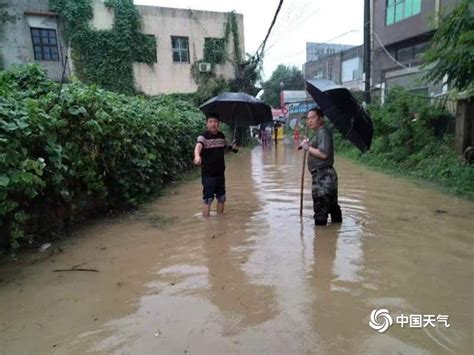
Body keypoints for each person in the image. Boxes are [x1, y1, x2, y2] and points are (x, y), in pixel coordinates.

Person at [300, 107, 342, 226]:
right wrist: (308, 143)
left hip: (323, 176)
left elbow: (323, 154)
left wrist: (308, 147)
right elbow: (317, 148)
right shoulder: (319, 133)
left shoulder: (322, 132)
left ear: (321, 119)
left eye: (313, 118)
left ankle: (321, 240)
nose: (310, 121)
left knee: (320, 210)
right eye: (308, 119)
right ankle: (335, 233)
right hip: (326, 176)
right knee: (333, 207)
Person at [193, 112, 238, 217]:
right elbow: (198, 146)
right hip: (208, 174)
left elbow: (225, 148)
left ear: (219, 124)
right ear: (207, 124)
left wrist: (233, 148)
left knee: (222, 198)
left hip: (220, 173)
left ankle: (220, 220)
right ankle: (206, 223)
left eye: (215, 122)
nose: (213, 124)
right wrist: (197, 156)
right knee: (207, 199)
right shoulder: (203, 136)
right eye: (210, 122)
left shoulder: (221, 136)